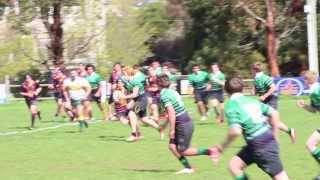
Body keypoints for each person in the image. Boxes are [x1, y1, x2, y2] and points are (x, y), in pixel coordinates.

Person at [210, 76, 289, 180]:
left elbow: (235, 131)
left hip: (262, 146)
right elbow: (274, 113)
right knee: (234, 166)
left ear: (225, 90)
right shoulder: (251, 100)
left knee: (281, 177)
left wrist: (221, 147)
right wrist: (275, 136)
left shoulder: (231, 105)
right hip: (257, 144)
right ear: (242, 88)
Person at [158, 74, 215, 174]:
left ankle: (209, 151)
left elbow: (172, 113)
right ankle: (188, 168)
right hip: (184, 121)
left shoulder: (164, 95)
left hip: (182, 124)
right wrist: (164, 125)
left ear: (159, 84)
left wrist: (172, 130)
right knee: (172, 146)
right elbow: (174, 112)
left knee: (183, 150)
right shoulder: (172, 91)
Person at [251, 62, 295, 143]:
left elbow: (273, 88)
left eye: (251, 70)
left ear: (254, 70)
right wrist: (254, 88)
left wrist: (264, 96)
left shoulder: (264, 78)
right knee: (270, 121)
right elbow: (254, 92)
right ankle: (289, 131)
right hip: (265, 100)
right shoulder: (256, 78)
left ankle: (272, 139)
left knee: (268, 120)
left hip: (271, 99)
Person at [121, 65, 161, 142]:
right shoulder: (127, 82)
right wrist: (130, 101)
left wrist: (124, 97)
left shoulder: (135, 81)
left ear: (128, 73)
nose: (123, 75)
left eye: (124, 73)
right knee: (144, 119)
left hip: (142, 100)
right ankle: (160, 128)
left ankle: (134, 135)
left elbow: (135, 94)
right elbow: (133, 95)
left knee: (131, 114)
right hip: (138, 100)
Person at [296, 71, 320, 180]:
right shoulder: (315, 91)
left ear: (306, 80)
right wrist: (304, 106)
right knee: (310, 144)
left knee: (310, 144)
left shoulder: (315, 91)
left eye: (304, 80)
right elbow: (314, 110)